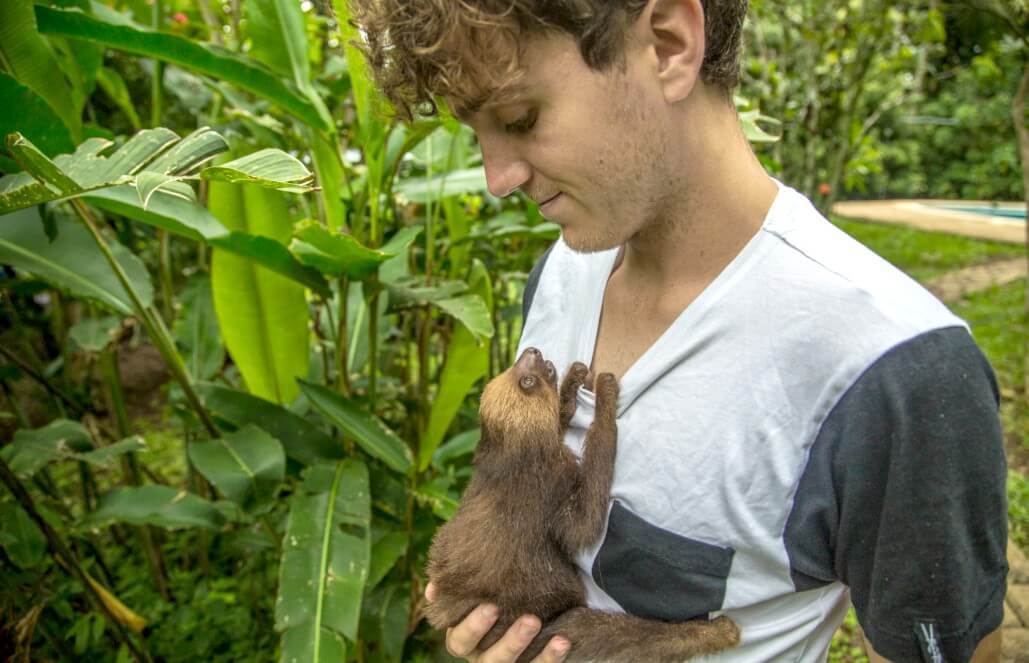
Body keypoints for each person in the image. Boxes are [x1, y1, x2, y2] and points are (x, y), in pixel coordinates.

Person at [349, 1, 1009, 661]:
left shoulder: (891, 369)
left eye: (521, 119)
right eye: (478, 134)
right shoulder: (558, 275)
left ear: (667, 45)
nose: (497, 179)